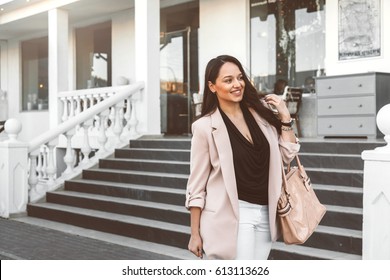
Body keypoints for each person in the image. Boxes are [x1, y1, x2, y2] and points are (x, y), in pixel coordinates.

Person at [185, 55, 300, 260]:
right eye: (228, 80)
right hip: (233, 214)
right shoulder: (204, 127)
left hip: (267, 212)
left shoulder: (260, 115)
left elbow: (287, 154)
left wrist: (284, 117)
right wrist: (195, 234)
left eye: (240, 78)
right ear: (212, 86)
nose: (237, 84)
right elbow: (196, 186)